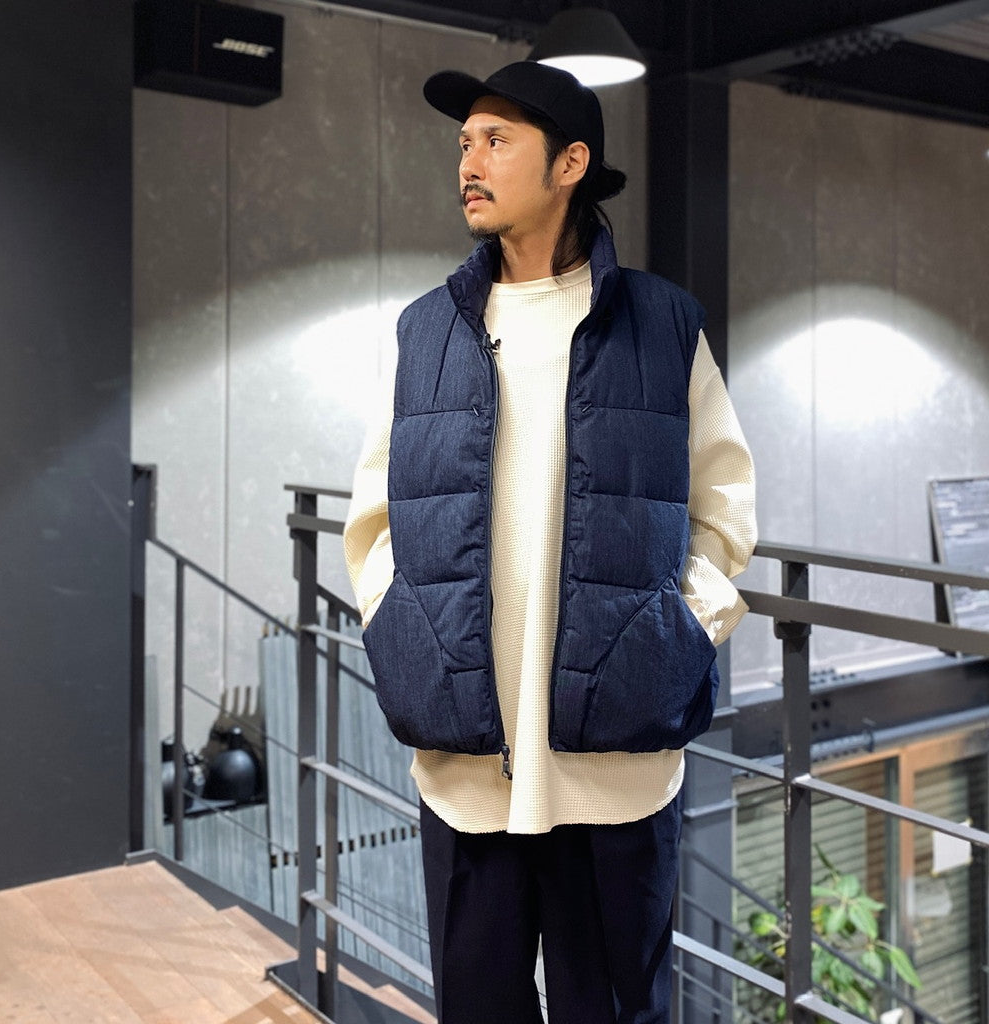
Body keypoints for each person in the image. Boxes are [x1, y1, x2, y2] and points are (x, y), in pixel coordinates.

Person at [343, 60, 756, 1024]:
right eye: (464, 143)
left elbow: (725, 506)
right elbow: (374, 519)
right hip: (466, 775)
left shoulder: (663, 326)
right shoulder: (425, 333)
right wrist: (405, 633)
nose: (469, 163)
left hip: (616, 776)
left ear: (570, 164)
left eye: (497, 140)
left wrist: (674, 636)